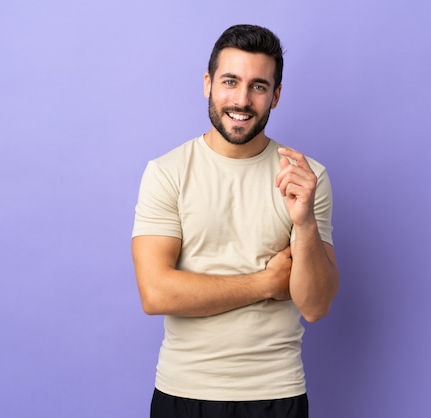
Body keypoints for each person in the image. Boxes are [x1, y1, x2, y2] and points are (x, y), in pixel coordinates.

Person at [131, 24, 339, 418]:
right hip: (183, 389)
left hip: (277, 392)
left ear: (275, 96)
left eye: (258, 86)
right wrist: (265, 283)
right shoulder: (167, 172)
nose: (242, 99)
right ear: (208, 84)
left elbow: (314, 306)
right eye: (230, 81)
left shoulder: (306, 178)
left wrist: (305, 222)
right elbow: (155, 293)